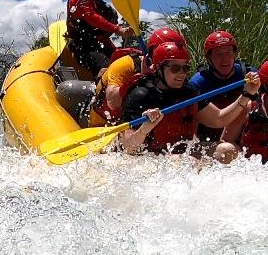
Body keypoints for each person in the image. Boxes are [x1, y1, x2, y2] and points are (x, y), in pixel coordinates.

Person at [120, 42, 256, 161]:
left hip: (183, 152)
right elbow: (128, 147)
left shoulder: (189, 92)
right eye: (175, 68)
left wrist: (247, 94)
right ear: (158, 68)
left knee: (228, 150)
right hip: (150, 157)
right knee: (184, 161)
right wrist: (144, 130)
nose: (182, 73)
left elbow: (219, 119)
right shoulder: (141, 95)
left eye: (185, 68)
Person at [88, 27, 185, 127]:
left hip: (136, 122)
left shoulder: (175, 74)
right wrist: (139, 78)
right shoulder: (126, 64)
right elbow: (112, 102)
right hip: (103, 123)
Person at [66, 0, 135, 77]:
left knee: (127, 64)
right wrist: (118, 30)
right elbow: (92, 17)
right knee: (107, 68)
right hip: (84, 47)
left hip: (100, 44)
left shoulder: (98, 2)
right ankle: (101, 92)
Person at [188, 30, 256, 144]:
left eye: (229, 52)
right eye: (218, 53)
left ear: (235, 54)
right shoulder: (198, 83)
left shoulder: (249, 74)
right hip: (208, 139)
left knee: (250, 105)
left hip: (241, 137)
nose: (225, 59)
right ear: (209, 58)